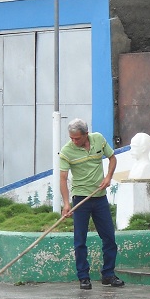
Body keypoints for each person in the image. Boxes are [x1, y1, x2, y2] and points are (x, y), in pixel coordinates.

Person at [59, 118, 124, 290]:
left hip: (100, 197)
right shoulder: (66, 151)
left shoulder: (98, 139)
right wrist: (66, 204)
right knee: (80, 240)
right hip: (80, 199)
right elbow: (63, 178)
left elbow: (112, 158)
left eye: (77, 138)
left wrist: (108, 177)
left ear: (86, 134)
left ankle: (108, 274)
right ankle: (83, 277)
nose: (74, 141)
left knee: (109, 237)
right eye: (71, 138)